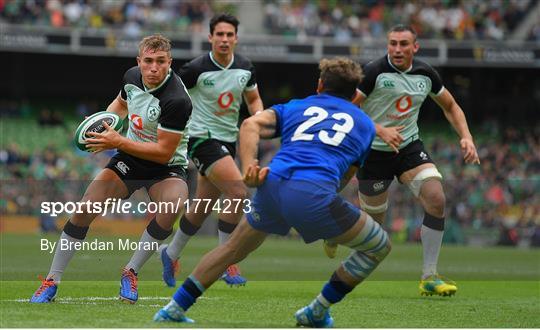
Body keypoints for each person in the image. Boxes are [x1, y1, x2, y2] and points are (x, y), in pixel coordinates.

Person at [153, 57, 392, 327]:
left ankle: (174, 307)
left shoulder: (297, 107)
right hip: (313, 193)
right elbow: (346, 175)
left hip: (273, 185)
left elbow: (249, 125)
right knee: (379, 246)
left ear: (320, 84)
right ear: (354, 93)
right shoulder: (365, 125)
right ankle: (317, 309)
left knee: (232, 249)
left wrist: (250, 166)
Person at [30, 34, 192, 304]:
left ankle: (131, 271)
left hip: (167, 165)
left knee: (174, 205)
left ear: (170, 63)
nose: (154, 67)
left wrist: (118, 141)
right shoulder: (131, 77)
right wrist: (104, 124)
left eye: (161, 62)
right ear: (139, 61)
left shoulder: (177, 100)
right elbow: (120, 105)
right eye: (148, 61)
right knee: (84, 209)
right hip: (130, 157)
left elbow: (164, 151)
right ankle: (51, 280)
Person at [324, 24, 480, 297]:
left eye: (403, 44)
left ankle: (429, 276)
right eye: (393, 43)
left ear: (415, 47)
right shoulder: (373, 72)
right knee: (373, 230)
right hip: (373, 151)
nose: (397, 49)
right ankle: (336, 230)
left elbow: (451, 106)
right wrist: (380, 129)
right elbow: (349, 109)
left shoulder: (426, 74)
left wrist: (466, 136)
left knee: (436, 199)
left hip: (408, 147)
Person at [158, 13, 263, 287]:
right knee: (239, 192)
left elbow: (253, 100)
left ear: (236, 38)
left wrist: (260, 119)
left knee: (202, 206)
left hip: (227, 141)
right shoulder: (195, 69)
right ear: (211, 37)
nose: (225, 39)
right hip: (200, 138)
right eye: (220, 34)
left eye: (230, 35)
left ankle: (170, 253)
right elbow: (171, 92)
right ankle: (226, 261)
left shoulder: (245, 68)